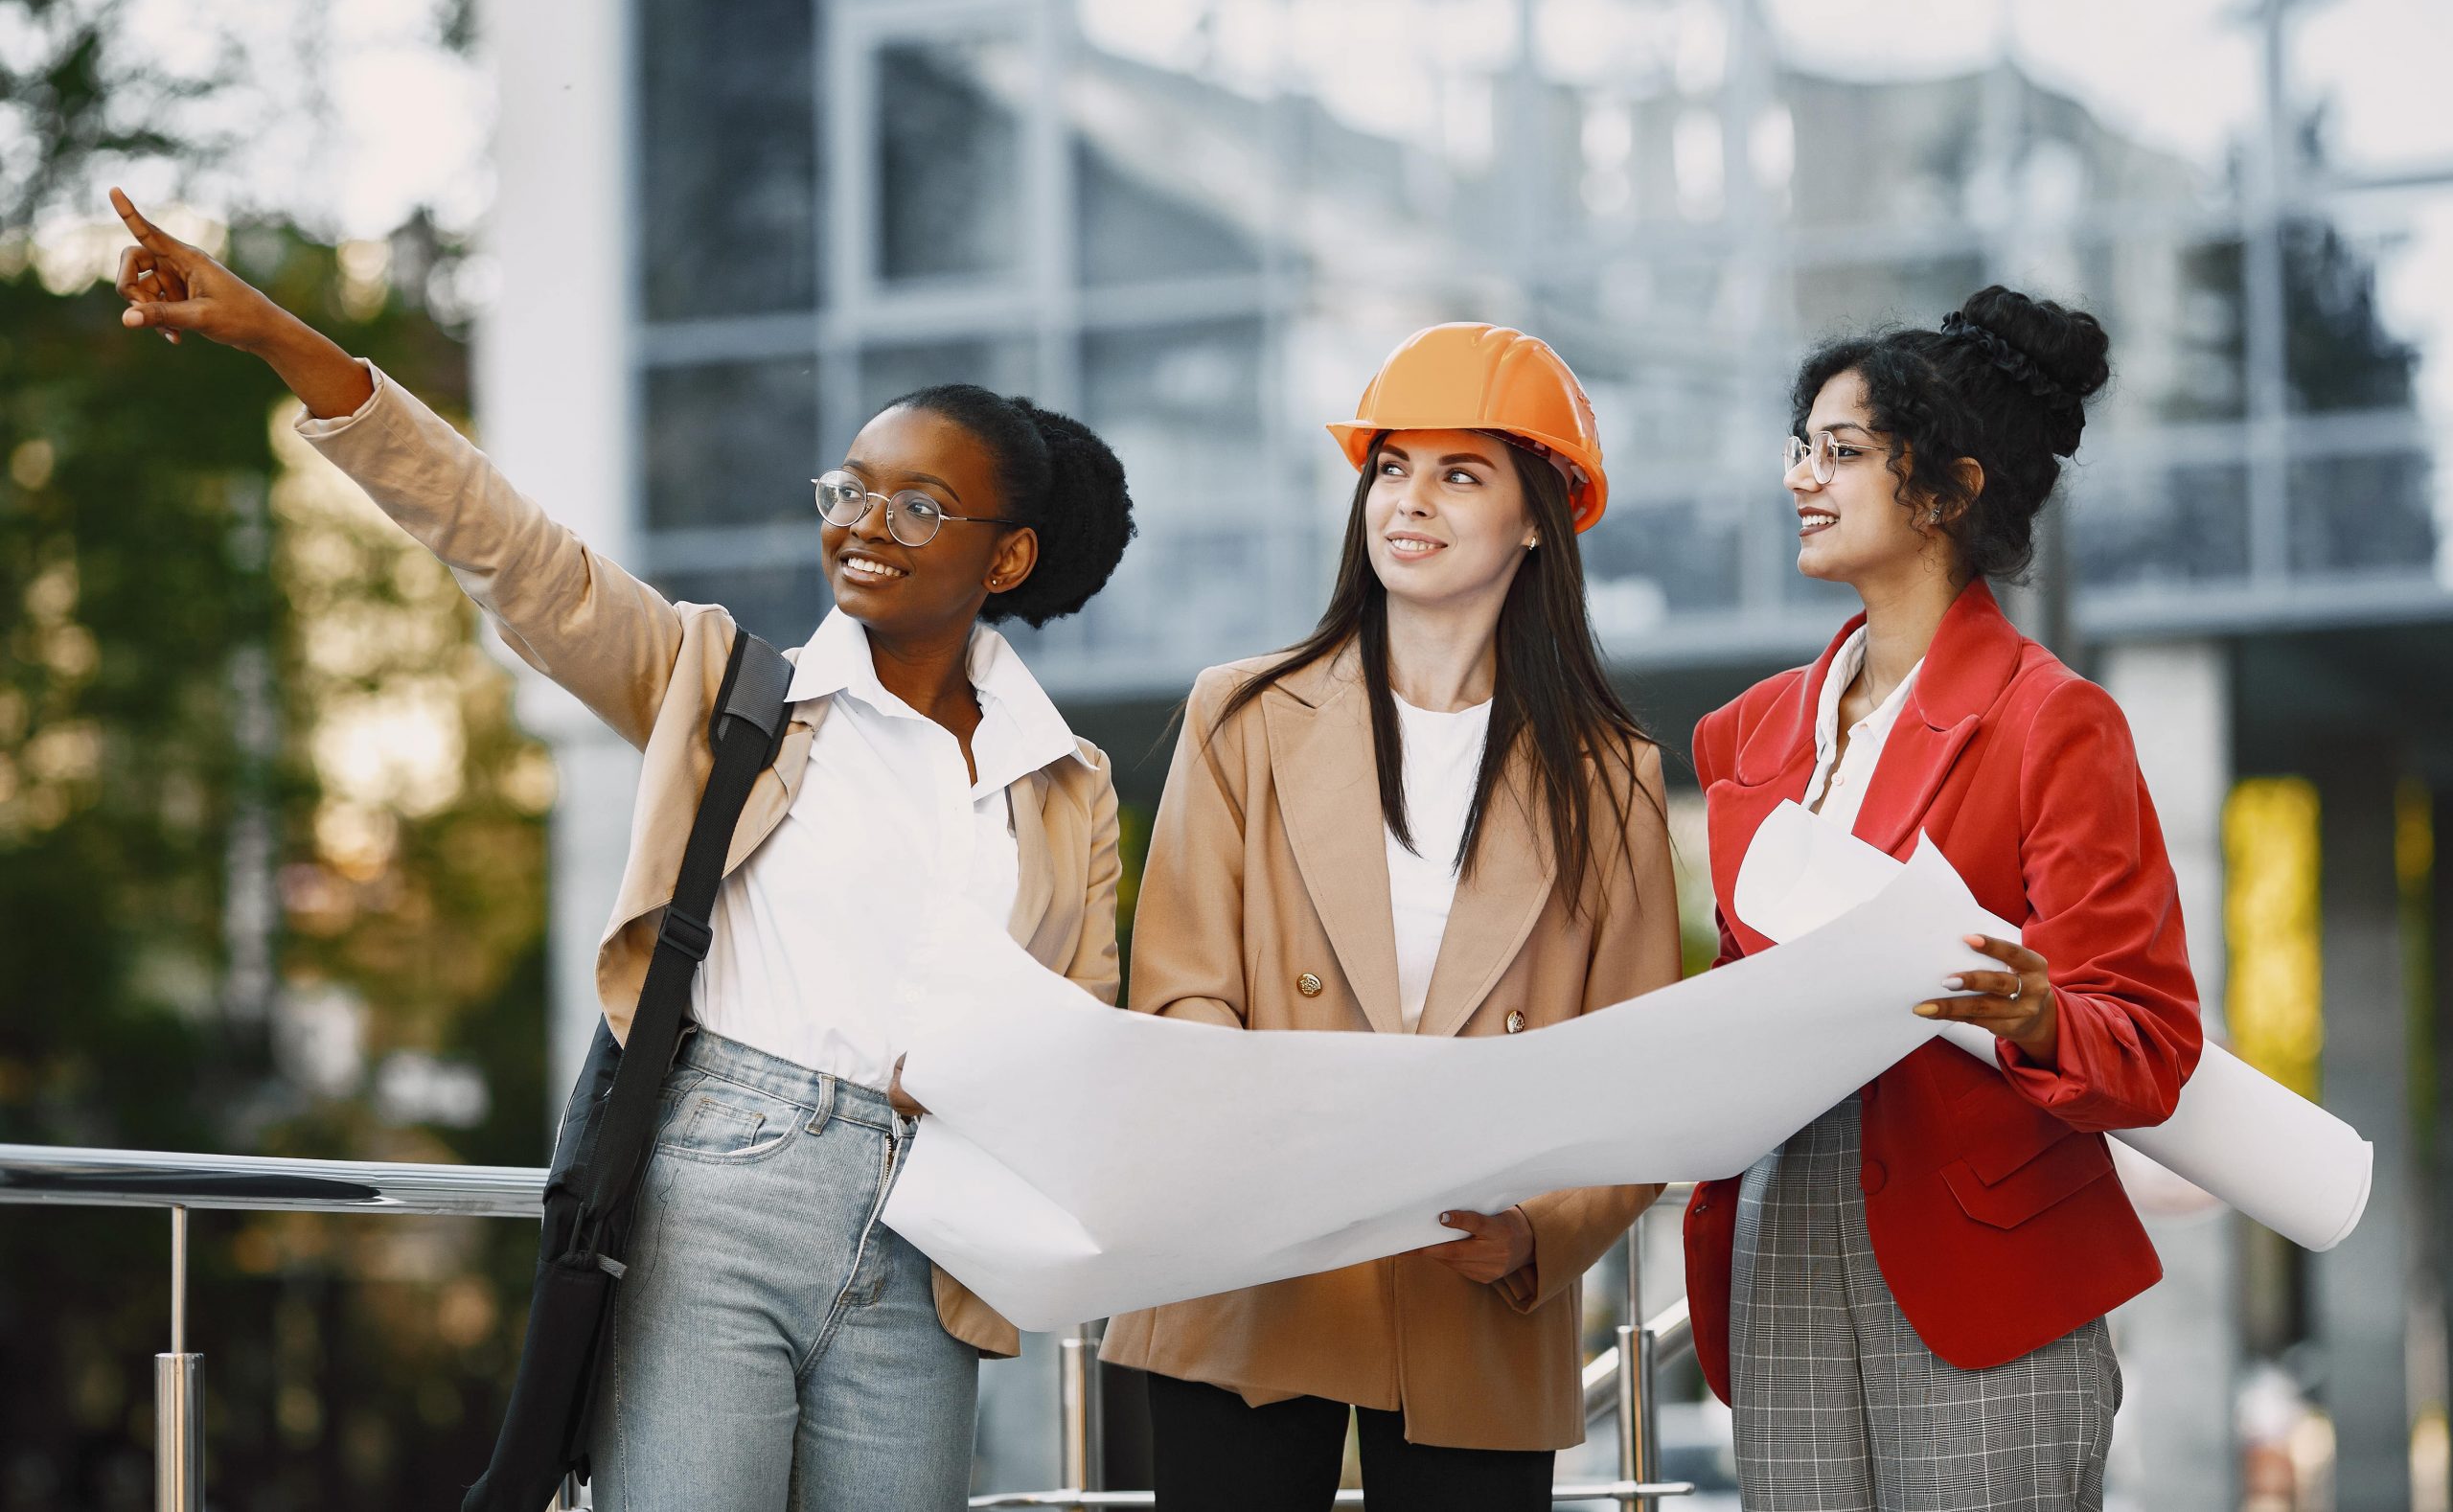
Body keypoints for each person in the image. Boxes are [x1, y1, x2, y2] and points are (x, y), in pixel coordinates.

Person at [109, 188, 1136, 1512]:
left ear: (1010, 557)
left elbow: (1086, 1031)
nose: (866, 524)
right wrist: (281, 340)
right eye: (853, 489)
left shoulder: (1066, 780)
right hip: (720, 1192)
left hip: (928, 1240)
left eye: (921, 505)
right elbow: (512, 552)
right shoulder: (727, 684)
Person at [1100, 324, 1684, 1510]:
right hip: (1249, 1264)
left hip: (1473, 1285)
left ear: (1539, 518)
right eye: (1390, 467)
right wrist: (1274, 1155)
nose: (1407, 502)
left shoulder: (1610, 775)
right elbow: (1180, 985)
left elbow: (1640, 1070)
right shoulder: (1244, 715)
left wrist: (1535, 1232)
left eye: (1458, 473)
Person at [1685, 286, 2203, 1509]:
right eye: (1800, 447)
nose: (1802, 477)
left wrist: (2036, 1015)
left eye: (1844, 451)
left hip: (1982, 1262)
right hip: (1782, 1234)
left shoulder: (2053, 723)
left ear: (1950, 490)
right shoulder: (1747, 735)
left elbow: (2150, 1042)